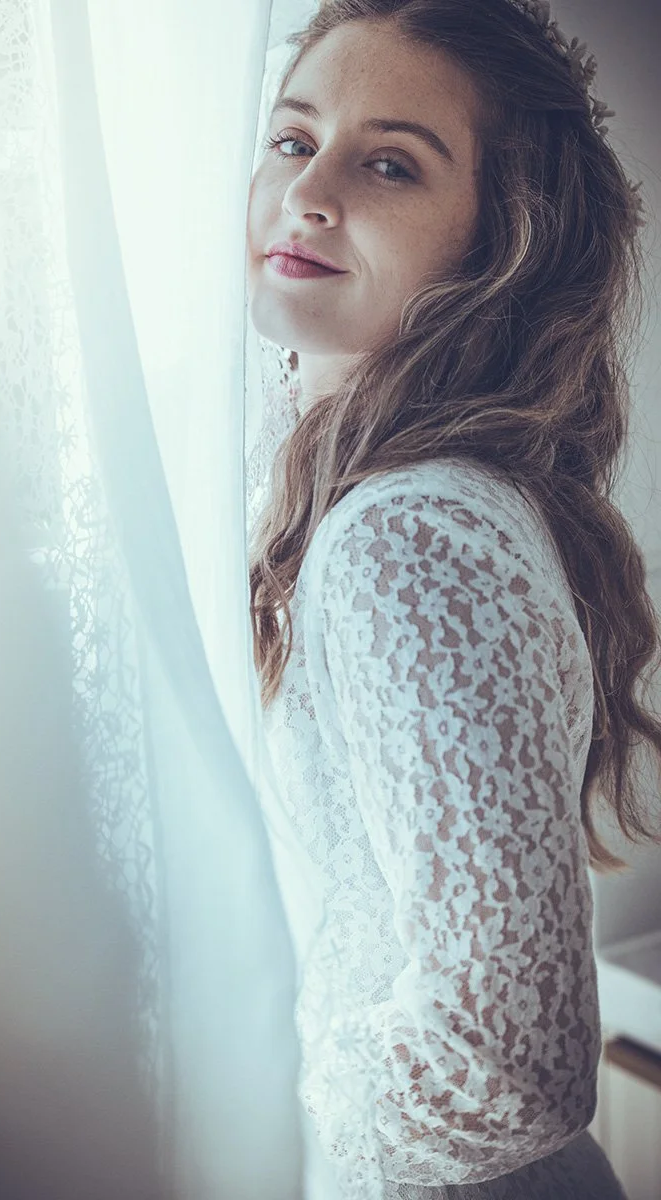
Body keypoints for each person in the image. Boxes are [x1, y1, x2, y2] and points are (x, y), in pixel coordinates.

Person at [245, 1, 661, 1197]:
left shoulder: (409, 531)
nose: (308, 193)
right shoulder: (372, 488)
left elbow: (509, 1068)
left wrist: (265, 1111)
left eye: (387, 163)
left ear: (496, 246)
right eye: (289, 138)